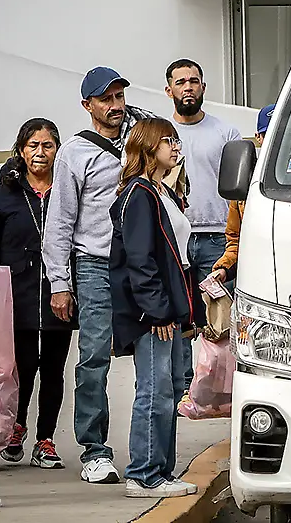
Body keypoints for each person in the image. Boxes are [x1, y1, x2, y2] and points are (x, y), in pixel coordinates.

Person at [109, 118, 206, 498]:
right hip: (152, 313)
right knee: (155, 390)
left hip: (168, 308)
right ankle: (143, 473)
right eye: (169, 140)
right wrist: (157, 311)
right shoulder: (139, 195)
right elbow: (140, 259)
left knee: (170, 388)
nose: (176, 146)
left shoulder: (161, 191)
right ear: (148, 147)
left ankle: (161, 471)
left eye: (177, 140)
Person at [41, 66, 130, 485]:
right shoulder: (73, 153)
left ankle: (153, 447)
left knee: (155, 352)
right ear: (87, 105)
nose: (115, 106)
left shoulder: (141, 139)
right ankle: (95, 449)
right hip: (94, 264)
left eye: (119, 96)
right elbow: (59, 221)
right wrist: (59, 283)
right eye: (105, 99)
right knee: (94, 356)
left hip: (140, 265)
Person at [0, 118, 77, 470]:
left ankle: (46, 440)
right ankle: (16, 426)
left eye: (48, 145)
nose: (40, 152)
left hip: (59, 289)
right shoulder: (5, 189)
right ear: (21, 150)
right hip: (17, 291)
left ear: (57, 150)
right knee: (22, 366)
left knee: (53, 367)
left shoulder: (66, 186)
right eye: (33, 145)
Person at [163, 58, 241, 396]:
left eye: (194, 81)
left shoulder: (226, 133)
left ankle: (219, 387)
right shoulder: (161, 134)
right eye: (180, 82)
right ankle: (182, 389)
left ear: (204, 88)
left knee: (219, 315)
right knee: (179, 315)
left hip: (216, 237)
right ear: (169, 90)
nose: (188, 87)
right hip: (174, 236)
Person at [206, 104, 274, 292]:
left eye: (281, 132)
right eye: (268, 134)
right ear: (258, 138)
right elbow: (236, 241)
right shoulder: (245, 182)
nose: (276, 139)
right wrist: (223, 268)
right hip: (256, 282)